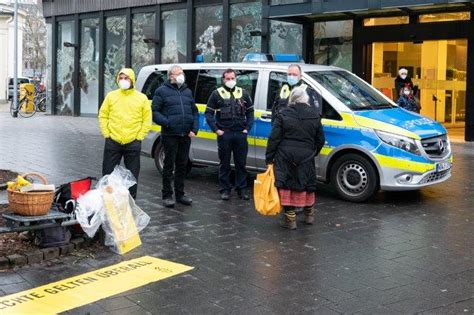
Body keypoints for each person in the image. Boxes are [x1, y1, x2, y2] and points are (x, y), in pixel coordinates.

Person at [265, 87, 325, 230]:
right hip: (306, 156)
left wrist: (269, 158)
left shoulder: (283, 114)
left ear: (291, 98)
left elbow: (274, 138)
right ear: (306, 98)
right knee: (307, 185)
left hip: (285, 155)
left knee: (286, 186)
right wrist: (313, 152)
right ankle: (309, 215)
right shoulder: (315, 115)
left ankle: (290, 220)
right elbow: (320, 139)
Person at [99, 68, 152, 199]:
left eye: (126, 78)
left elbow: (147, 119)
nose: (123, 81)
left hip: (133, 142)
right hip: (113, 141)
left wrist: (139, 136)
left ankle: (131, 199)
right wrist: (107, 133)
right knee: (108, 173)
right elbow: (103, 115)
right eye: (121, 78)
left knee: (133, 175)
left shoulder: (141, 98)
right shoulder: (111, 96)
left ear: (132, 80)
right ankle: (108, 199)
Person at [152, 65, 199, 208]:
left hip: (185, 134)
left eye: (182, 73)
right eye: (178, 73)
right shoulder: (161, 91)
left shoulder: (187, 91)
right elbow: (155, 112)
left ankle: (180, 194)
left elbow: (194, 111)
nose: (181, 75)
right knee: (168, 165)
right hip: (170, 134)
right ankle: (167, 195)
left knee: (182, 165)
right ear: (170, 76)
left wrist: (194, 129)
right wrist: (167, 123)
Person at [205, 69, 254, 201]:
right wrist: (216, 130)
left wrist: (247, 128)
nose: (231, 81)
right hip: (224, 134)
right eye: (228, 78)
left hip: (240, 134)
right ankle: (225, 189)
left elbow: (250, 112)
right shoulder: (216, 94)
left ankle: (241, 189)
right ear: (223, 80)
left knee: (241, 163)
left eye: (233, 78)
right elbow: (208, 114)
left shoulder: (243, 93)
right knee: (224, 163)